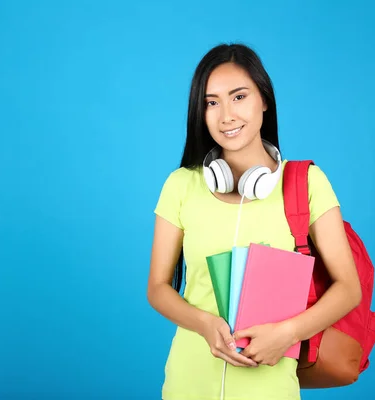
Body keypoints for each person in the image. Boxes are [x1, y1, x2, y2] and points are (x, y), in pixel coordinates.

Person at [146, 43, 362, 400]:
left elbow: (348, 287)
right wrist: (204, 324)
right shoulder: (181, 185)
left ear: (264, 99)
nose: (226, 115)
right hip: (188, 383)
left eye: (239, 96)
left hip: (270, 388)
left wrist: (288, 333)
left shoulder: (308, 183)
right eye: (211, 102)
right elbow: (157, 286)